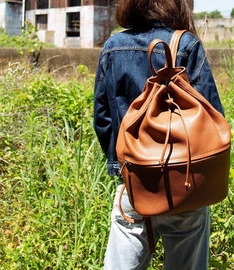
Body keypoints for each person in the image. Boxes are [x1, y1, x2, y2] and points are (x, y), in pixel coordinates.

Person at [93, 0, 224, 269]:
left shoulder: (112, 47)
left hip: (134, 184)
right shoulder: (186, 44)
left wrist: (121, 166)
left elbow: (103, 119)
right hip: (185, 184)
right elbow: (213, 117)